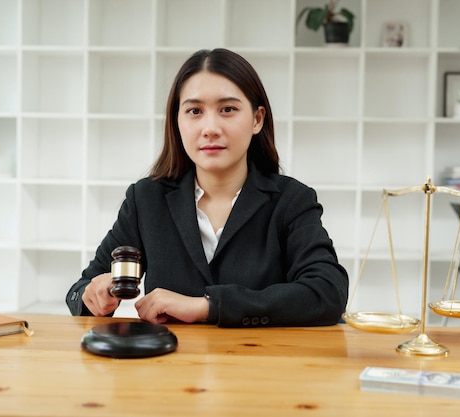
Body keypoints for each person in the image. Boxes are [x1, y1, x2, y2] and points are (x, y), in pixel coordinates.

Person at [66, 48, 349, 327]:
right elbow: (78, 291)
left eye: (227, 109)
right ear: (177, 121)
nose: (210, 127)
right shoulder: (146, 200)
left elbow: (327, 291)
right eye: (194, 111)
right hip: (169, 367)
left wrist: (207, 306)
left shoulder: (291, 201)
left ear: (257, 119)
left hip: (262, 367)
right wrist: (94, 295)